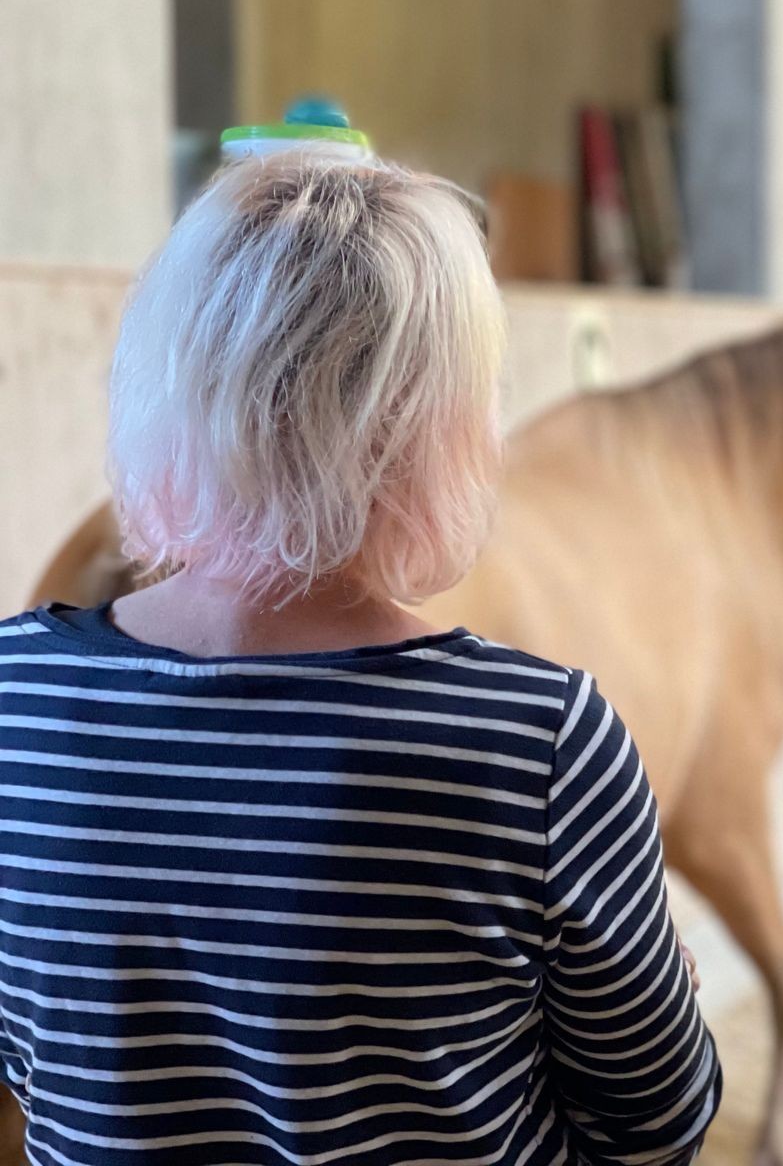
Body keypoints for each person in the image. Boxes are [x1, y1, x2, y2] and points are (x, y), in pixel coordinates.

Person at [0, 154, 721, 1164]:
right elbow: (655, 1128)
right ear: (439, 421)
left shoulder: (16, 701)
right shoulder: (540, 744)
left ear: (173, 377)